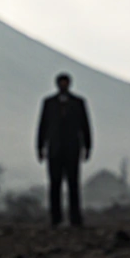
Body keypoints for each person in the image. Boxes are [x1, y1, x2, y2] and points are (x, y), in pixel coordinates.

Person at [36, 73, 92, 227]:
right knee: (54, 185)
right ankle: (56, 218)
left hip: (73, 150)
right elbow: (42, 127)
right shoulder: (49, 103)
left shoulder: (78, 103)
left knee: (73, 184)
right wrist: (40, 147)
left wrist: (87, 146)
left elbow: (85, 126)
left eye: (65, 83)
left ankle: (75, 218)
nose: (63, 86)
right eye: (61, 83)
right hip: (54, 150)